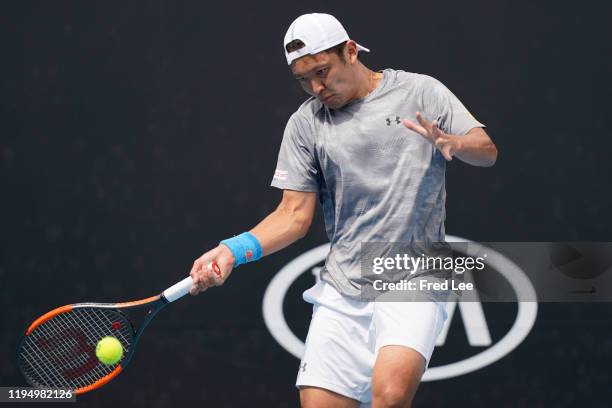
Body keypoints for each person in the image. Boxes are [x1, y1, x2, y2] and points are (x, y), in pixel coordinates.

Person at [188, 12, 497, 408]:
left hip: (415, 275)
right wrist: (232, 249)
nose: (316, 88)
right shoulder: (306, 125)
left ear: (351, 51)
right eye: (303, 80)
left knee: (389, 397)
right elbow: (293, 216)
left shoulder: (422, 91)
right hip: (343, 285)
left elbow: (486, 151)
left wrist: (454, 143)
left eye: (322, 71)